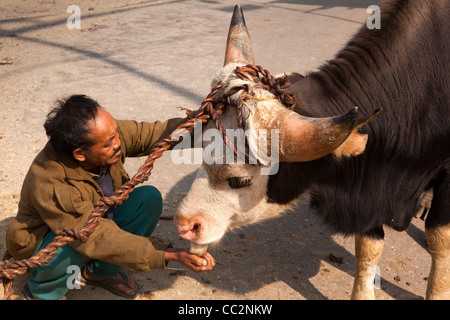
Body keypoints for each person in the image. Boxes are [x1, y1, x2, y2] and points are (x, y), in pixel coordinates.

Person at [4, 94, 215, 300]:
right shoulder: (51, 181)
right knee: (71, 241)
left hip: (92, 221)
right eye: (108, 143)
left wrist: (208, 124)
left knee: (147, 199)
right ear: (80, 154)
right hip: (47, 241)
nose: (117, 143)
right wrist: (166, 255)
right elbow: (94, 236)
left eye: (115, 134)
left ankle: (98, 271)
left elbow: (158, 133)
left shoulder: (105, 135)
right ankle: (42, 291)